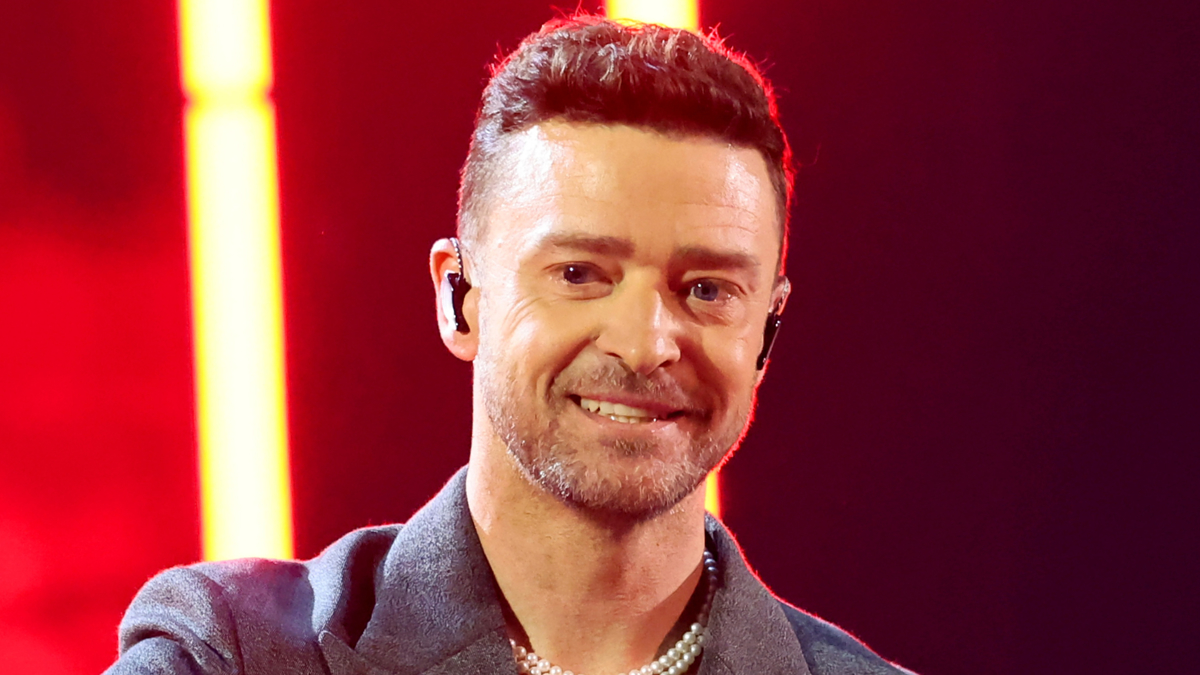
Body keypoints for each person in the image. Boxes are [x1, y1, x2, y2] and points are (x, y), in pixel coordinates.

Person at [106, 15, 913, 675]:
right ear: (459, 298)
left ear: (766, 335)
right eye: (579, 273)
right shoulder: (231, 653)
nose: (643, 345)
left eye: (706, 289)